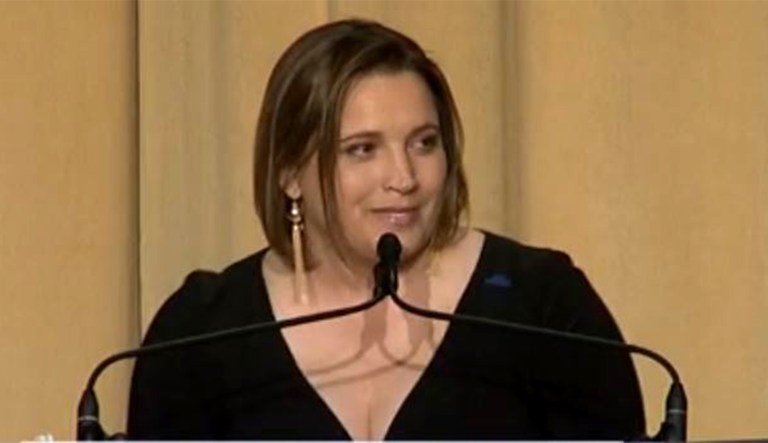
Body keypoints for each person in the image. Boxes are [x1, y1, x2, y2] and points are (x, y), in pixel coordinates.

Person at [127, 19, 646, 440]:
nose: (403, 178)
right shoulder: (202, 333)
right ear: (290, 174)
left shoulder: (541, 306)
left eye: (424, 143)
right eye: (363, 149)